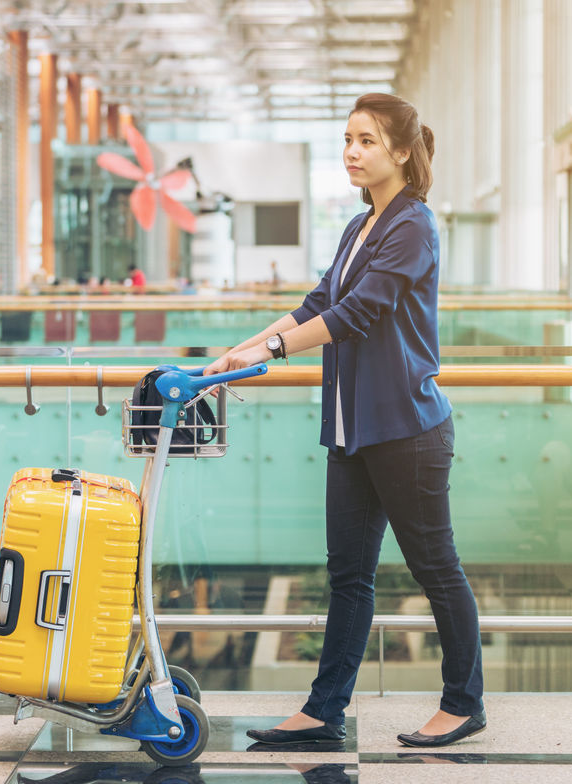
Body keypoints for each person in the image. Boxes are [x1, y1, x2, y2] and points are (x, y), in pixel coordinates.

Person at [205, 93, 485, 749]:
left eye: (366, 140)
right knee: (348, 577)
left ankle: (463, 703)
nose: (352, 152)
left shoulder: (413, 225)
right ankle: (323, 708)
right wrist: (241, 351)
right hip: (352, 430)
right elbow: (318, 304)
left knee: (435, 568)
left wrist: (271, 352)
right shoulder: (358, 226)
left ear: (401, 151)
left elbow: (359, 313)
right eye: (348, 139)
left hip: (407, 431)